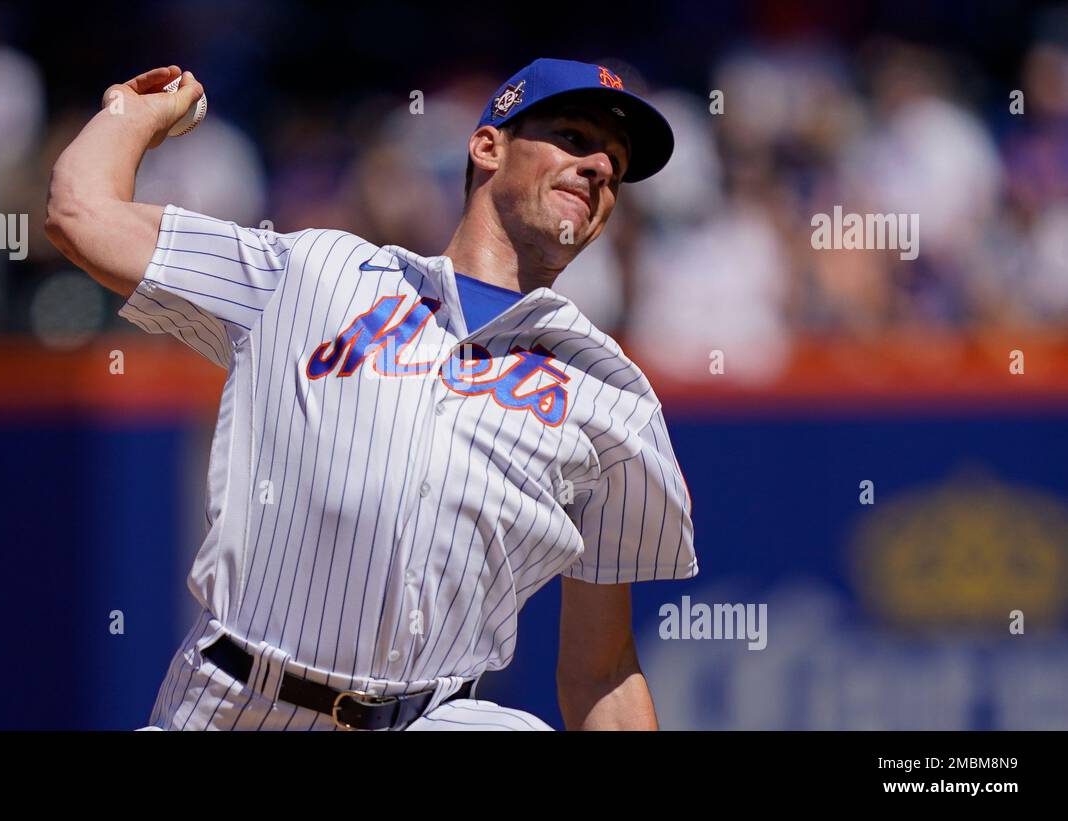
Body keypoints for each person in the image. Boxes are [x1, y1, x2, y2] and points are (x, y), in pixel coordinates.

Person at [45, 58, 696, 731]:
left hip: (430, 715)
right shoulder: (318, 271)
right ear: (488, 147)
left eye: (616, 164)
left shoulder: (610, 392)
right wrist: (132, 112)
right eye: (573, 137)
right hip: (233, 702)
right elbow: (81, 215)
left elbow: (601, 670)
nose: (599, 167)